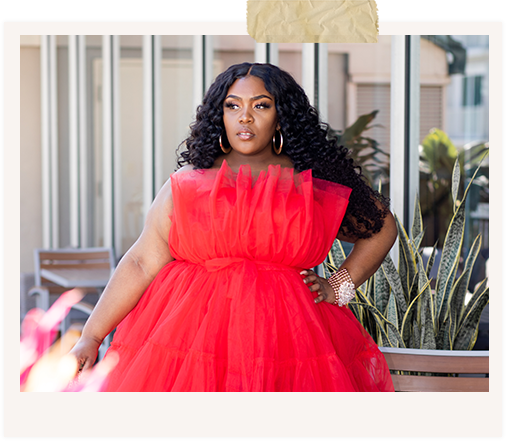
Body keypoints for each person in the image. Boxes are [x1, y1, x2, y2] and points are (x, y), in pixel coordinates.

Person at [69, 62, 397, 392]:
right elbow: (141, 262)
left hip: (289, 341)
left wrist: (338, 285)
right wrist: (91, 335)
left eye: (261, 105)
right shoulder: (186, 185)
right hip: (189, 342)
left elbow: (382, 227)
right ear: (220, 115)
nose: (245, 117)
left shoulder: (311, 185)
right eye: (233, 105)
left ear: (281, 115)